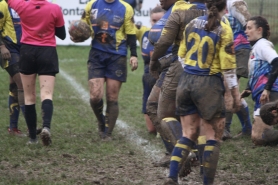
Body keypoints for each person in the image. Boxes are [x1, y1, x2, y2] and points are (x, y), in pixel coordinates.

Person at [164, 0, 241, 184]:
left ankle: (172, 177)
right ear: (226, 9)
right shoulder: (224, 28)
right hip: (208, 83)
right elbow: (228, 68)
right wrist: (235, 95)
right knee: (212, 136)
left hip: (186, 81)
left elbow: (181, 55)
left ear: (206, 5)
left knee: (188, 134)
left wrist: (192, 70)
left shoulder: (192, 23)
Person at [147, 0, 207, 170]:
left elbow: (159, 38)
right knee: (199, 115)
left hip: (180, 64)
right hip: (207, 70)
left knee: (161, 110)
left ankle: (184, 153)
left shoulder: (180, 9)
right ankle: (190, 156)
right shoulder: (216, 15)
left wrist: (153, 61)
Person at [73, 0, 138, 141]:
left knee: (112, 97)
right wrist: (77, 35)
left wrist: (133, 54)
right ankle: (101, 121)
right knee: (95, 96)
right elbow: (82, 27)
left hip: (117, 56)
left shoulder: (126, 8)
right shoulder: (92, 5)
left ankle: (107, 133)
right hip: (96, 55)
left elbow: (131, 34)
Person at [8, 0, 66, 145]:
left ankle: (33, 138)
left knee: (29, 97)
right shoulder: (55, 8)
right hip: (47, 52)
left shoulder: (22, 6)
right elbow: (62, 35)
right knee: (46, 94)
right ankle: (46, 127)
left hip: (27, 52)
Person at [240, 16, 278, 146]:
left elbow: (276, 62)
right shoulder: (256, 47)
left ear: (259, 30)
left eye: (249, 28)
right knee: (257, 138)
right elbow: (256, 72)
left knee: (260, 137)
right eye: (246, 28)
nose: (246, 31)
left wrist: (267, 88)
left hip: (269, 93)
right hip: (260, 95)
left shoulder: (262, 45)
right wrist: (248, 88)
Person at [223, 0, 252, 140]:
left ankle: (226, 129)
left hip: (239, 49)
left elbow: (249, 23)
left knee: (229, 87)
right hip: (226, 52)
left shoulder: (235, 3)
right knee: (228, 89)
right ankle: (247, 127)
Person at [135, 6, 165, 134]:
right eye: (154, 20)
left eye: (160, 20)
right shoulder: (144, 32)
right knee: (152, 129)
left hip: (167, 71)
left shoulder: (172, 34)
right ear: (150, 20)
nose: (156, 23)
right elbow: (127, 27)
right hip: (149, 72)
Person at [0, 0, 25, 136]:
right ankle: (31, 127)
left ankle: (13, 128)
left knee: (14, 86)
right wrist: (2, 47)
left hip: (24, 49)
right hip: (8, 49)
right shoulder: (4, 4)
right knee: (22, 84)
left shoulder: (27, 4)